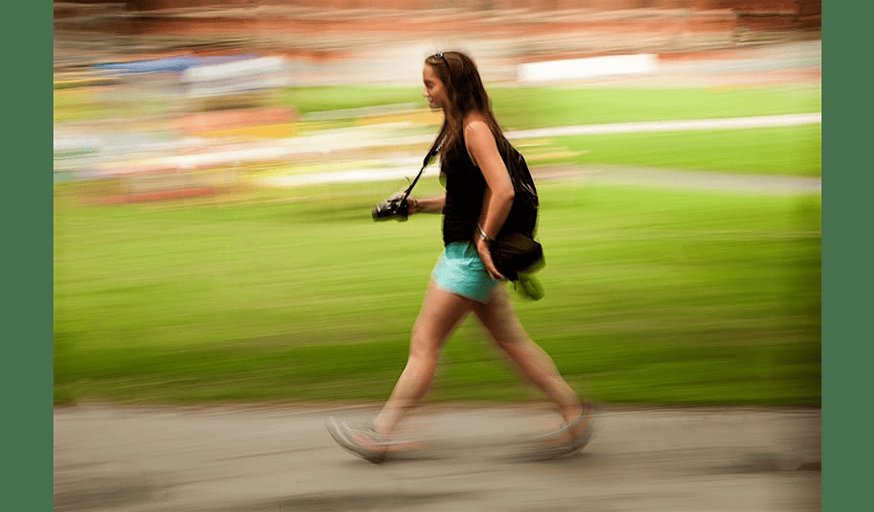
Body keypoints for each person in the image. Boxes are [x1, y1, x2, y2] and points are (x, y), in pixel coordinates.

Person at [327, 51, 592, 463]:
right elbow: (467, 199)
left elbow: (503, 190)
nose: (425, 91)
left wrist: (483, 240)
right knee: (510, 342)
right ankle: (574, 414)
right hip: (468, 254)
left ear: (452, 86)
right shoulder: (463, 126)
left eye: (430, 83)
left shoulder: (474, 129)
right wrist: (417, 205)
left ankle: (380, 434)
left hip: (468, 257)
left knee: (425, 343)